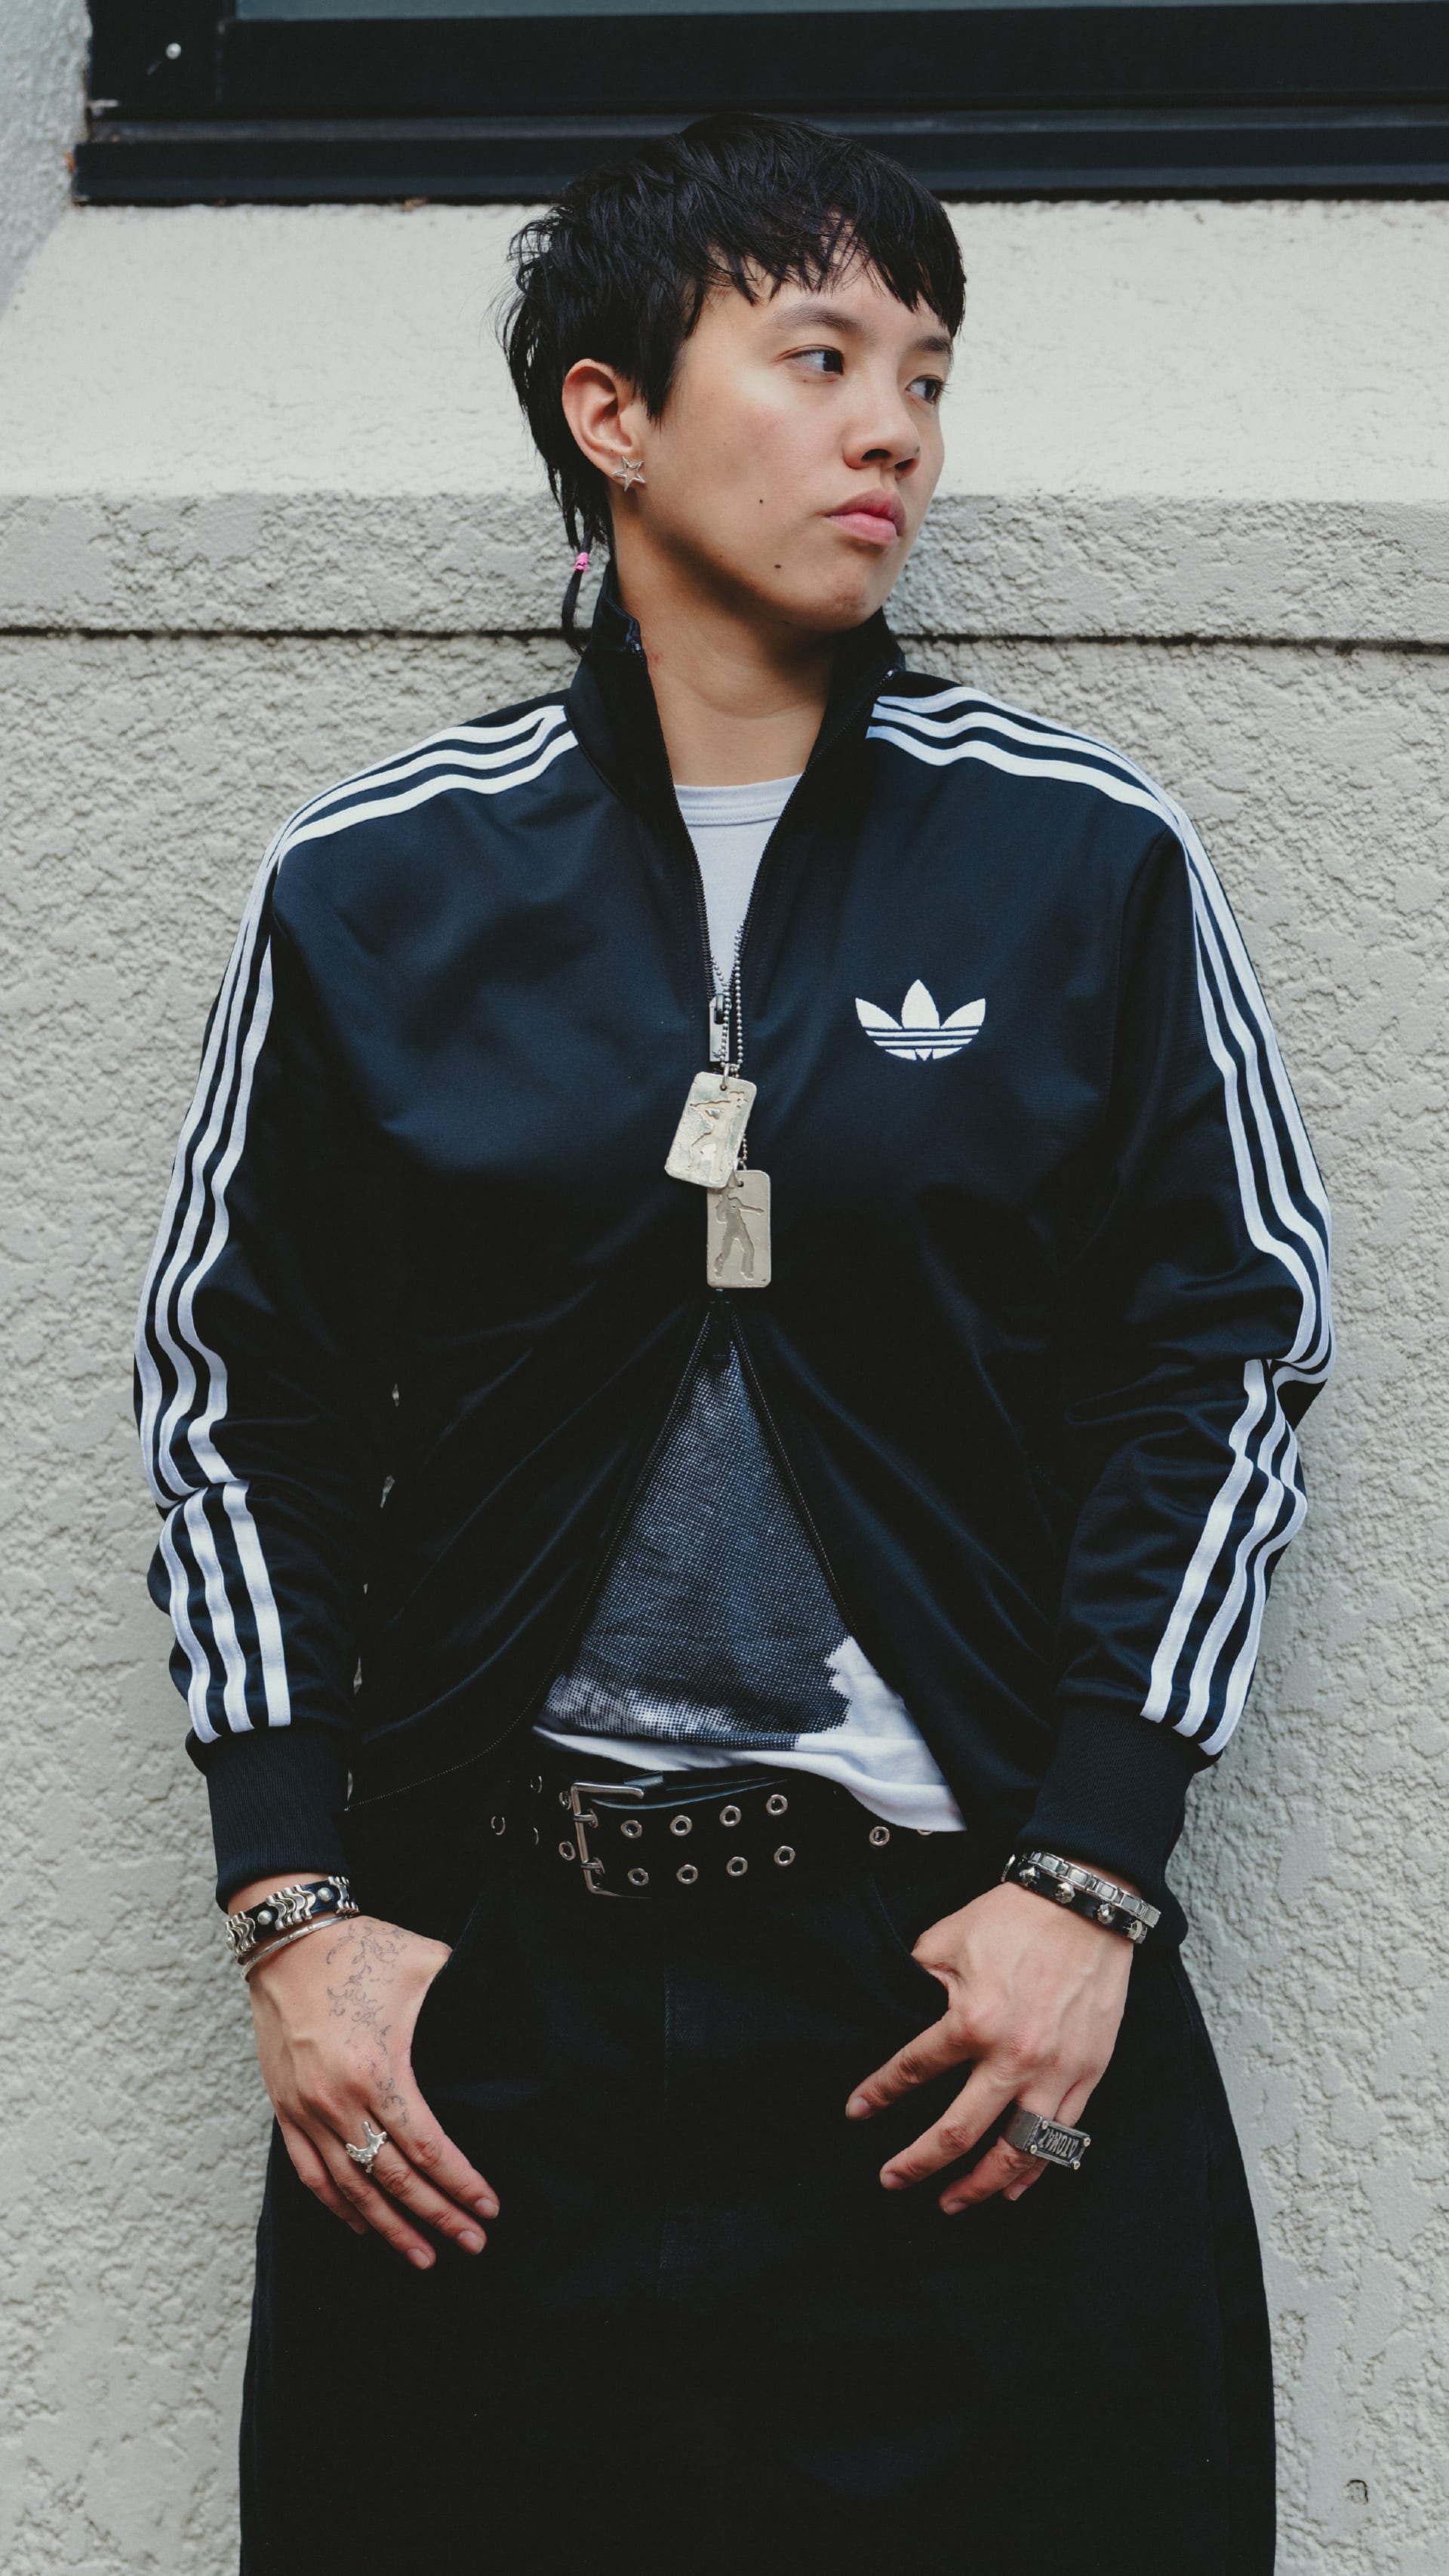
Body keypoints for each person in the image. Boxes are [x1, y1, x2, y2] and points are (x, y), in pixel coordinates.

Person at [135, 112, 1332, 2574]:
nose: (892, 420)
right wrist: (298, 1912)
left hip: (951, 1990)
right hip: (501, 2020)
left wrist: (1092, 1872)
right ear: (612, 412)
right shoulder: (379, 890)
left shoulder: (1080, 854)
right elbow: (225, 1391)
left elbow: (1230, 1348)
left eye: (926, 365)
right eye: (815, 354)